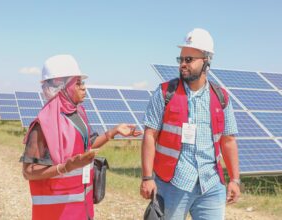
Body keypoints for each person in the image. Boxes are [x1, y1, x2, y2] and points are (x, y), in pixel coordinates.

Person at [20, 54, 142, 220]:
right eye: (78, 83)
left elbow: (88, 146)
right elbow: (28, 171)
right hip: (55, 213)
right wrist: (66, 167)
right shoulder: (43, 125)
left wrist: (113, 132)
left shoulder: (78, 114)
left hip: (81, 206)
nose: (84, 88)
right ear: (61, 86)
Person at [140, 28, 240, 220]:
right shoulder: (164, 93)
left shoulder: (221, 97)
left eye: (189, 59)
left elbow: (228, 141)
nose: (183, 64)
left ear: (206, 61)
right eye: (181, 59)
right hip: (172, 184)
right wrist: (147, 177)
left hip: (210, 186)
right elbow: (149, 136)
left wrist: (235, 179)